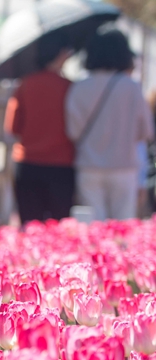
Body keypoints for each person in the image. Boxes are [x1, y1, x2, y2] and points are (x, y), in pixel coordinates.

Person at [66, 25, 154, 221]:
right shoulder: (132, 88)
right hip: (124, 167)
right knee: (123, 226)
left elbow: (73, 131)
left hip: (89, 166)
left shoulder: (79, 88)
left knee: (93, 227)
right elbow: (145, 132)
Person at [3, 31, 76, 224]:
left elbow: (12, 127)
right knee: (58, 229)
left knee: (29, 226)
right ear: (61, 54)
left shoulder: (25, 84)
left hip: (28, 164)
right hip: (61, 165)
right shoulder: (69, 87)